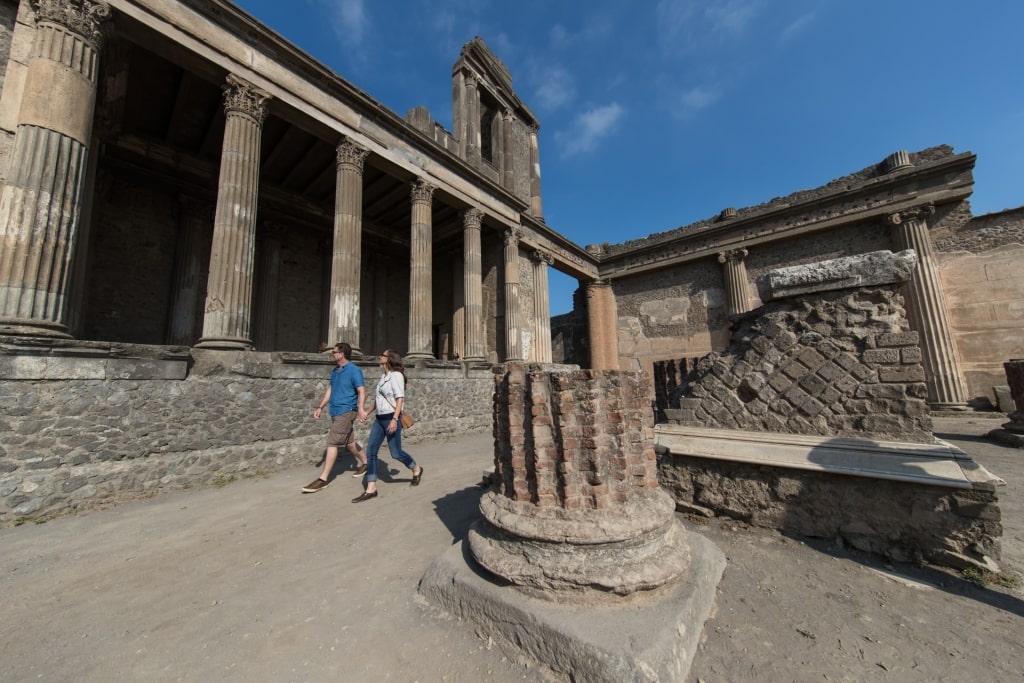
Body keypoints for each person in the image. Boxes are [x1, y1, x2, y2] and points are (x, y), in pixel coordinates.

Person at [352, 349, 423, 503]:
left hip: (391, 418)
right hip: (379, 419)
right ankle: (371, 488)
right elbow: (379, 400)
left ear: (389, 359)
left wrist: (394, 419)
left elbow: (399, 399)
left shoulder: (396, 375)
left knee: (396, 453)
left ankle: (416, 469)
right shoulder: (383, 376)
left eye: (382, 355)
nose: (379, 356)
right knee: (371, 452)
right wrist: (367, 413)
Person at [303, 342, 369, 493]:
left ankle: (323, 479)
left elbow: (361, 390)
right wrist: (320, 407)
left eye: (334, 352)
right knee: (349, 443)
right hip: (335, 410)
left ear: (342, 354)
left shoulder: (354, 370)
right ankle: (366, 462)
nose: (332, 354)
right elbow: (330, 390)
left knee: (332, 443)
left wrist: (360, 409)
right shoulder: (335, 371)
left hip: (346, 411)